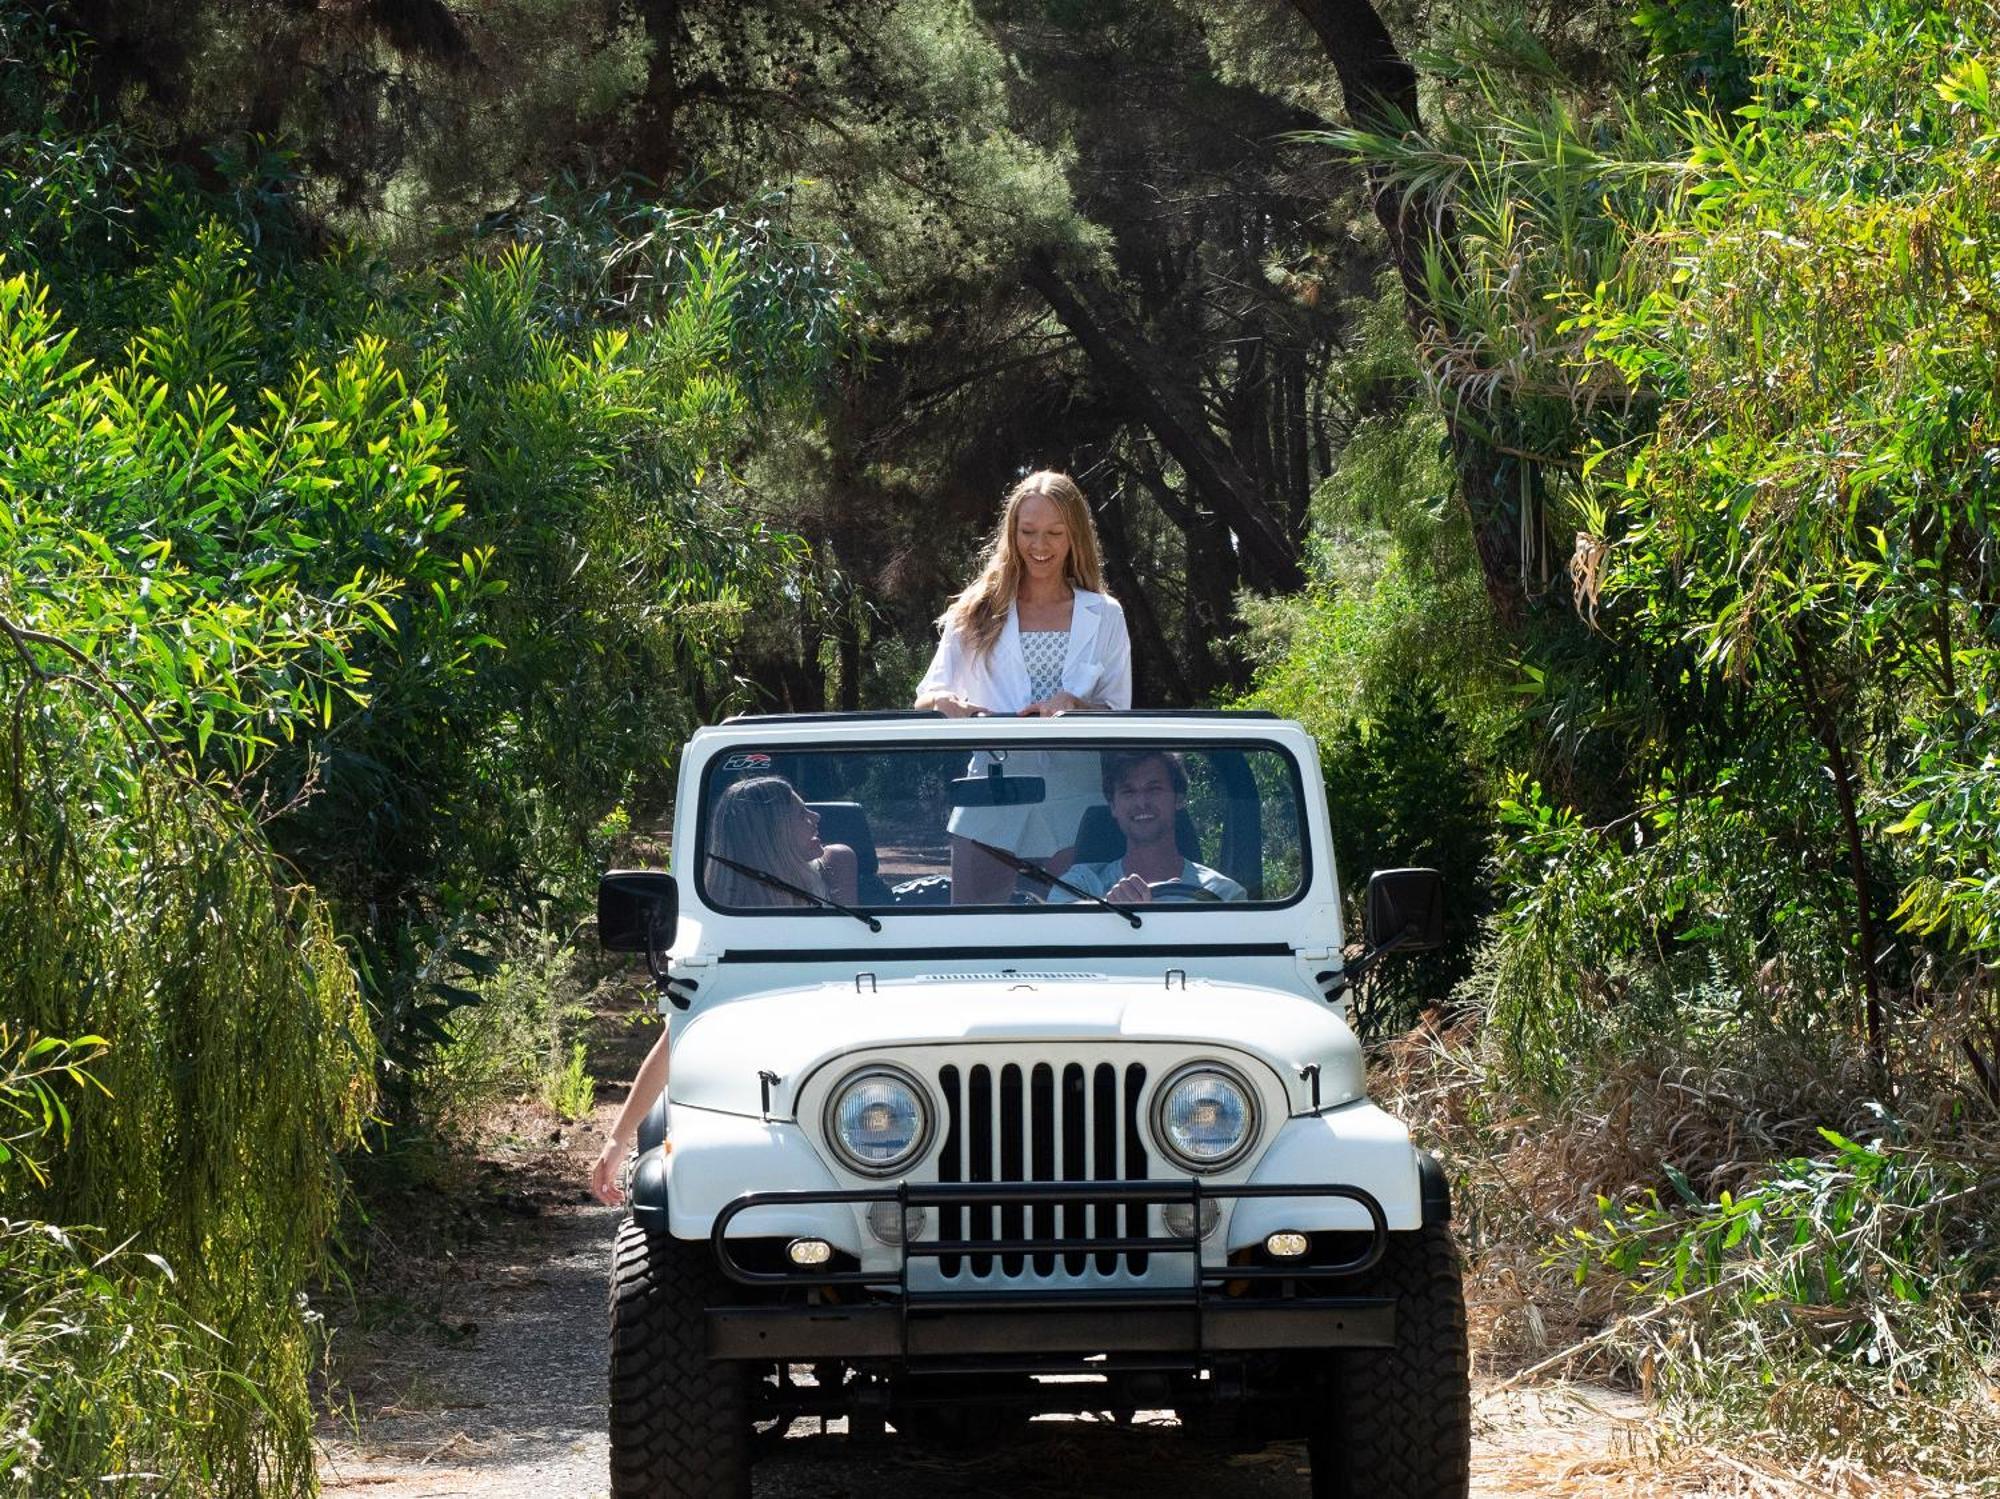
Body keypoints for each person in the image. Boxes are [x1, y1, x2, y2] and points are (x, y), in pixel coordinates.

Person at [590, 774, 856, 1204]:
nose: (815, 817)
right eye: (798, 811)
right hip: (771, 1104)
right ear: (768, 833)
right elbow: (676, 1038)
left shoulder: (838, 871)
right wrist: (617, 1141)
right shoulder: (716, 933)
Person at [914, 471, 1133, 901]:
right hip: (991, 788)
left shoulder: (1106, 614)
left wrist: (1077, 707)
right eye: (1028, 532)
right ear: (1011, 533)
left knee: (1075, 938)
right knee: (974, 941)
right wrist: (950, 705)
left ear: (1076, 537)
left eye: (1054, 532)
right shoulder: (974, 611)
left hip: (1077, 794)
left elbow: (1119, 716)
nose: (1040, 546)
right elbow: (926, 698)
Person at [1055, 750, 1246, 904]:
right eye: (1128, 791)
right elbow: (1057, 928)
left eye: (1154, 789)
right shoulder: (1081, 885)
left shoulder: (1222, 894)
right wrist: (1109, 907)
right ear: (1113, 806)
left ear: (1178, 798)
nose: (1141, 802)